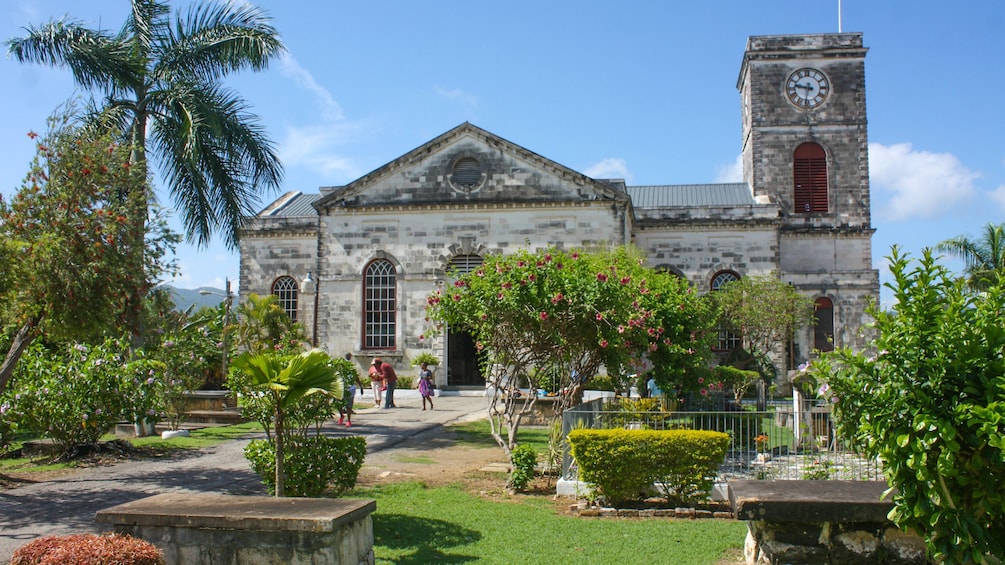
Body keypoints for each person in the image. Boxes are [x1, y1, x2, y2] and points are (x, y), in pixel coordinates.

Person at [338, 353, 364, 427]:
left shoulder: (352, 369)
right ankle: (341, 415)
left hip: (350, 389)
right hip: (341, 388)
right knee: (338, 404)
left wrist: (361, 386)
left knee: (349, 405)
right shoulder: (340, 370)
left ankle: (348, 420)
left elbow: (356, 378)